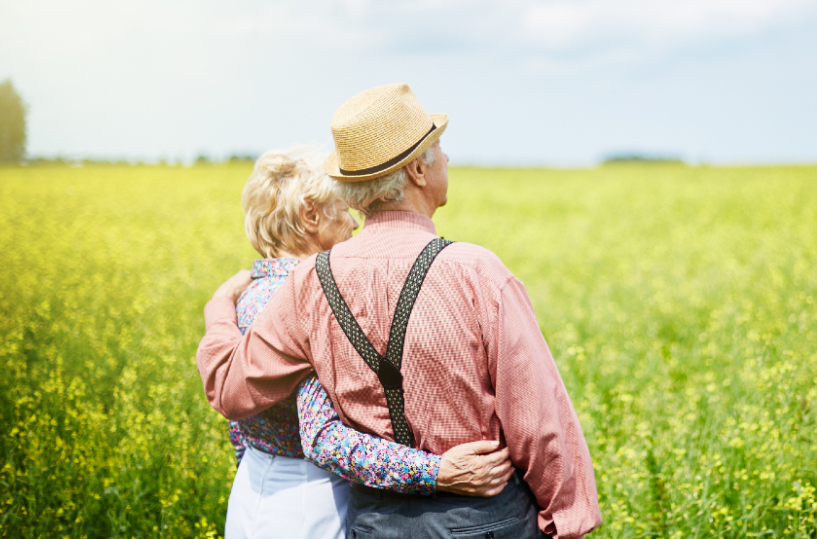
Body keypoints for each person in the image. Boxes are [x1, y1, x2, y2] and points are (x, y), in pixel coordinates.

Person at [198, 83, 601, 538]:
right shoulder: (478, 273)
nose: (447, 159)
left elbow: (230, 390)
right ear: (416, 170)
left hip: (373, 521)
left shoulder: (308, 282)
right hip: (484, 517)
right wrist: (567, 521)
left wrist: (219, 310)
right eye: (440, 149)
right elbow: (540, 423)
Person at [220, 145, 514, 539]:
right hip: (310, 506)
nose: (355, 223)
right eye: (342, 208)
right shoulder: (302, 299)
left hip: (255, 491)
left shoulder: (248, 294)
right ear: (310, 216)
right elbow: (323, 439)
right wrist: (437, 472)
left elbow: (239, 423)